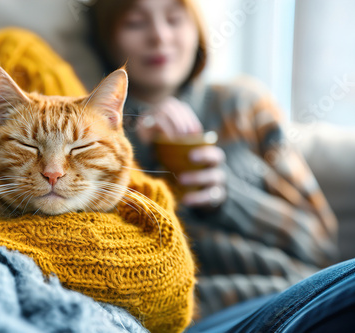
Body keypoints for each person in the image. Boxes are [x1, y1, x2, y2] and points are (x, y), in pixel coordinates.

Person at [89, 0, 339, 319]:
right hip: (208, 311)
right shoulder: (97, 137)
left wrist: (225, 197)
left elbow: (321, 245)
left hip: (305, 293)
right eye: (135, 23)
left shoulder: (241, 105)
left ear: (197, 31)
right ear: (107, 39)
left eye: (175, 19)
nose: (160, 37)